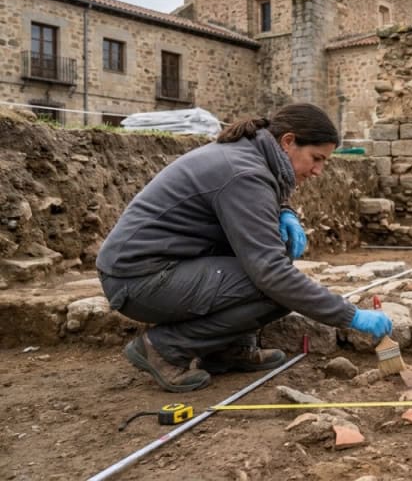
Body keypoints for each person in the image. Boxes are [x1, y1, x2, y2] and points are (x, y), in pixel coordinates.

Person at [97, 103, 392, 393]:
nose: (318, 171)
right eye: (316, 158)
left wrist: (284, 211)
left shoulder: (250, 155)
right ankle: (164, 348)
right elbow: (272, 273)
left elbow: (251, 199)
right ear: (288, 141)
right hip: (139, 279)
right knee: (276, 289)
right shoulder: (244, 173)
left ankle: (226, 350)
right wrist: (350, 315)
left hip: (154, 267)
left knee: (272, 264)